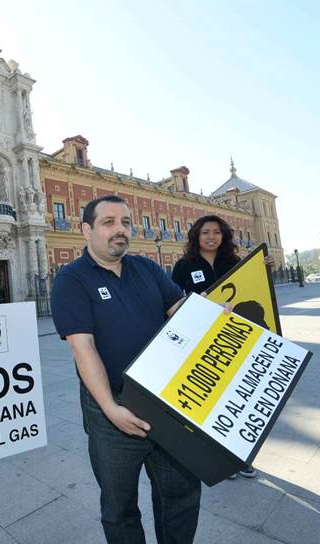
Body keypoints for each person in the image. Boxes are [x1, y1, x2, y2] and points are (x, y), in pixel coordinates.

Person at [51, 194, 205, 544]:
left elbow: (180, 311)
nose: (119, 230)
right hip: (112, 408)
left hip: (166, 400)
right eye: (108, 222)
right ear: (86, 230)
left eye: (125, 222)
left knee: (180, 494)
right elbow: (82, 347)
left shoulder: (147, 268)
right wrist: (110, 409)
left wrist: (212, 314)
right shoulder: (71, 280)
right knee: (119, 508)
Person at [171, 214, 258, 480]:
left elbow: (251, 293)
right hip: (202, 340)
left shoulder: (233, 263)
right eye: (205, 232)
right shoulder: (184, 266)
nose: (211, 237)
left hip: (235, 338)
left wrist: (260, 270)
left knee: (238, 395)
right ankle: (218, 453)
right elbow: (174, 302)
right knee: (212, 397)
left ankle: (241, 455)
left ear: (224, 236)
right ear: (196, 236)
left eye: (217, 232)